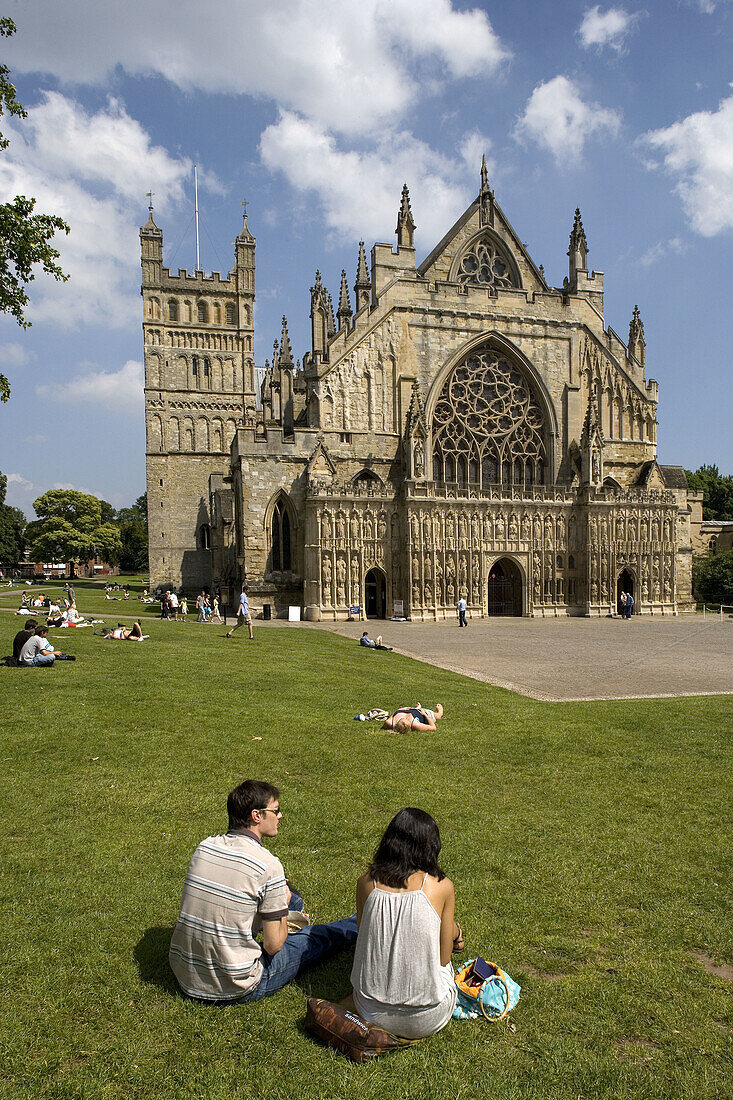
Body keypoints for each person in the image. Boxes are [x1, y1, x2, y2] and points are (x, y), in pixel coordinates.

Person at [169, 780, 358, 1003]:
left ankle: (283, 909)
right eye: (275, 811)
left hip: (185, 972)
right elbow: (272, 946)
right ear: (256, 816)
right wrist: (283, 921)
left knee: (292, 900)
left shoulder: (205, 847)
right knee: (316, 938)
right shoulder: (267, 865)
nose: (280, 816)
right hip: (235, 985)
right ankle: (359, 923)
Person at [350, 807, 462, 1039]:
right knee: (445, 968)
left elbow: (365, 936)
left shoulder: (366, 883)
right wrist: (455, 933)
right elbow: (444, 958)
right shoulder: (441, 886)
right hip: (426, 1019)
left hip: (369, 1011)